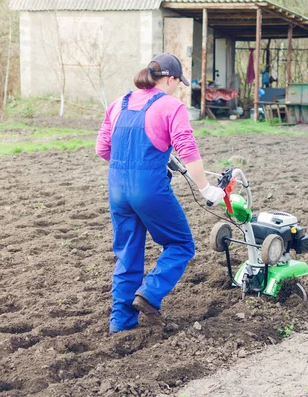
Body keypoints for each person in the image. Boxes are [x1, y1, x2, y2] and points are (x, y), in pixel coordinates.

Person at [95, 53, 225, 333]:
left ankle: (121, 321)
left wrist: (129, 167)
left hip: (117, 188)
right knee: (181, 244)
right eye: (179, 83)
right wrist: (206, 189)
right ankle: (150, 293)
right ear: (170, 79)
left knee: (127, 254)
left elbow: (102, 149)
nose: (179, 89)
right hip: (149, 189)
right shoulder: (171, 106)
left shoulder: (118, 104)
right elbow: (188, 151)